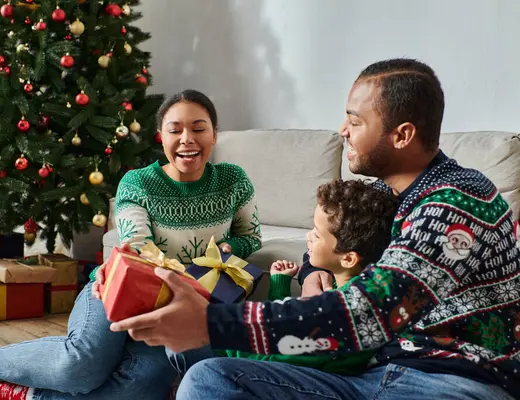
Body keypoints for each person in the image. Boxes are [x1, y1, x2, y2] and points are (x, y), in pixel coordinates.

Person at [110, 59, 520, 400]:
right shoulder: (385, 192)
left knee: (207, 367)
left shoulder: (456, 203)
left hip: (446, 381)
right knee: (206, 375)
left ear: (402, 135)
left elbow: (369, 312)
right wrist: (312, 274)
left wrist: (213, 322)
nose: (343, 131)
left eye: (355, 121)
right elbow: (324, 249)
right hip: (372, 369)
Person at [0, 89, 262, 400]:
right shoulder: (138, 182)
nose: (187, 139)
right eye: (175, 130)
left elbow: (251, 235)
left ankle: (13, 394)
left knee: (140, 387)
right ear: (162, 137)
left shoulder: (234, 180)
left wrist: (225, 252)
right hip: (120, 288)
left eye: (198, 128)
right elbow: (139, 248)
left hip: (174, 312)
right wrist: (197, 268)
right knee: (80, 368)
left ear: (215, 135)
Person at [167, 179, 399, 377]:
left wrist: (223, 337)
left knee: (182, 345)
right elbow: (286, 328)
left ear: (348, 258)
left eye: (317, 235)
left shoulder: (339, 316)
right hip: (284, 361)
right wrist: (279, 284)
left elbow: (270, 360)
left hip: (283, 376)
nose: (308, 237)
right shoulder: (353, 290)